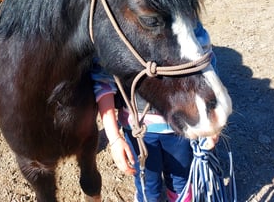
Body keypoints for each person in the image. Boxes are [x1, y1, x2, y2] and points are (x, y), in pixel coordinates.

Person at [91, 22, 218, 202]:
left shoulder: (185, 18)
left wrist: (210, 121)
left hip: (181, 127)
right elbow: (104, 79)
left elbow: (206, 63)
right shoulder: (116, 25)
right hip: (138, 130)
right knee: (147, 185)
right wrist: (114, 138)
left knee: (181, 181)